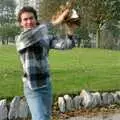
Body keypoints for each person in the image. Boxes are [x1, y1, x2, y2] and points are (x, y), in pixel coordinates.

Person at [16, 6, 77, 120]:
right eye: (25, 19)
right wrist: (56, 21)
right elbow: (38, 32)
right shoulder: (21, 38)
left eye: (31, 18)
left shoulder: (45, 36)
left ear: (35, 19)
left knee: (46, 117)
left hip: (46, 84)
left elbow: (66, 45)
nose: (29, 21)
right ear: (20, 23)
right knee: (40, 118)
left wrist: (70, 30)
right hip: (32, 87)